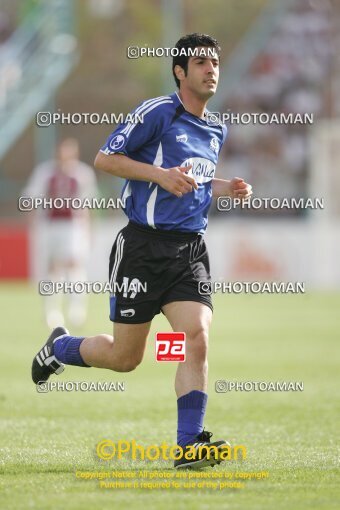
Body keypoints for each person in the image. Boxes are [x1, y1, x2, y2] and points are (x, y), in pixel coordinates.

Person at [31, 34, 252, 469]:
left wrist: (226, 187)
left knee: (197, 335)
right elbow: (105, 159)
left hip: (189, 249)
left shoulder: (216, 127)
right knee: (125, 357)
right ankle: (60, 348)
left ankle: (188, 445)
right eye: (202, 62)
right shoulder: (156, 113)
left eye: (215, 63)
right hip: (142, 248)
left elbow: (197, 182)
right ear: (180, 71)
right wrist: (158, 175)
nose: (211, 69)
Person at [24, 138, 98, 328]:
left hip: (73, 227)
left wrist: (88, 229)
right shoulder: (44, 172)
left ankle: (76, 311)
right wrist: (34, 226)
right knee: (53, 268)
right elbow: (32, 198)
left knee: (74, 265)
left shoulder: (83, 173)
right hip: (49, 225)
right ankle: (52, 312)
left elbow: (87, 204)